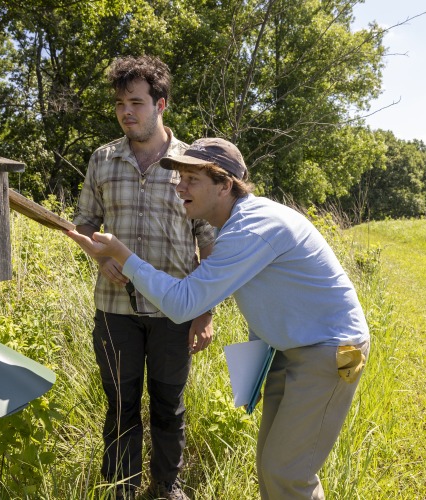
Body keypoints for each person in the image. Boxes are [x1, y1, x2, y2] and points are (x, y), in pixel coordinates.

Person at [68, 137, 370, 500]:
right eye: (179, 178)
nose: (179, 187)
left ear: (225, 184)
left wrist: (125, 256)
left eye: (191, 179)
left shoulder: (252, 228)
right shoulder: (238, 225)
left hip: (328, 353)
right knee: (274, 468)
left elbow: (183, 304)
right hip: (290, 349)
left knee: (287, 472)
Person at [73, 56, 215, 500]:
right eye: (119, 103)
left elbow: (209, 241)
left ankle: (167, 488)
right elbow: (81, 226)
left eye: (136, 102)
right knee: (120, 406)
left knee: (169, 406)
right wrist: (99, 257)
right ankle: (121, 489)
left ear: (161, 104)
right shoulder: (102, 159)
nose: (126, 112)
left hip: (175, 309)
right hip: (115, 309)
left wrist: (204, 311)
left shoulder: (191, 164)